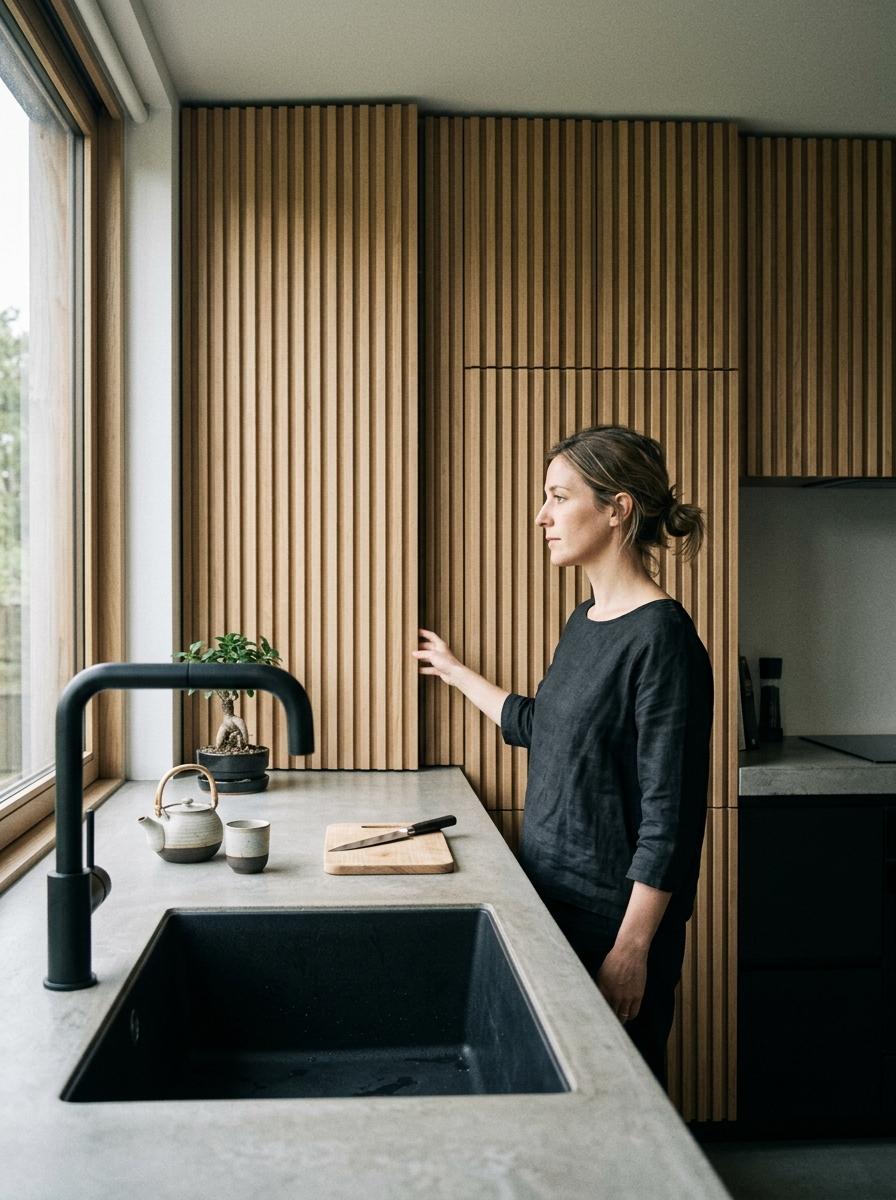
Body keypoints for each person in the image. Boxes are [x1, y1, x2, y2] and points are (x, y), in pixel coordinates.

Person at [412, 424, 714, 1090]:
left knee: (614, 1104)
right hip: (546, 901)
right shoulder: (586, 620)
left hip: (610, 924)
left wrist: (632, 949)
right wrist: (458, 673)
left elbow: (672, 818)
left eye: (558, 496)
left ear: (617, 508)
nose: (541, 516)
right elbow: (542, 726)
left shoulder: (663, 640)